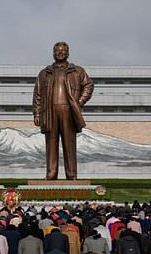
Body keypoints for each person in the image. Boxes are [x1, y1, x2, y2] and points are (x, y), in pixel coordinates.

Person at [33, 41, 94, 180]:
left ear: (68, 53)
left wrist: (79, 102)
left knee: (69, 143)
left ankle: (71, 174)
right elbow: (37, 94)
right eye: (57, 51)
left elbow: (89, 86)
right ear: (53, 53)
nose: (60, 53)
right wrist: (37, 113)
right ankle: (51, 174)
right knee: (51, 143)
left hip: (68, 111)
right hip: (49, 112)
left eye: (63, 51)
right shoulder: (44, 73)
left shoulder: (77, 71)